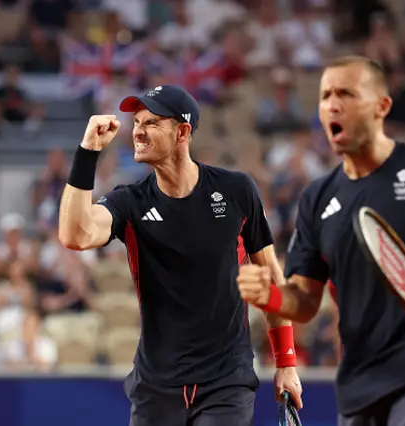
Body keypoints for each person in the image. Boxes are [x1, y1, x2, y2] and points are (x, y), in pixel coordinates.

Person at [237, 56, 405, 426]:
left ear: (382, 106)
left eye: (346, 93)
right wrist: (272, 296)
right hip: (358, 386)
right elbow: (305, 299)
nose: (332, 103)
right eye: (325, 95)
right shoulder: (317, 198)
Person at [58, 84, 302, 426]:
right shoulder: (129, 202)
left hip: (226, 382)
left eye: (152, 122)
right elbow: (75, 235)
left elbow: (273, 278)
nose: (139, 130)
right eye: (138, 122)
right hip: (155, 387)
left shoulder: (236, 190)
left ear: (183, 132)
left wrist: (286, 363)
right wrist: (86, 153)